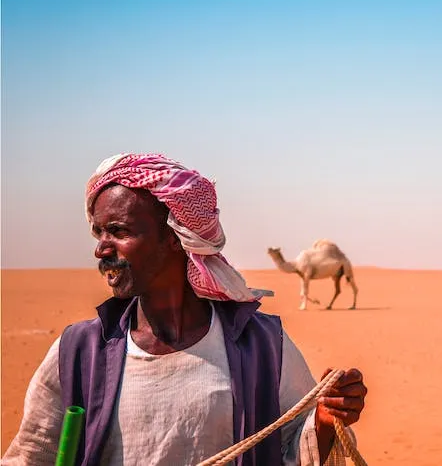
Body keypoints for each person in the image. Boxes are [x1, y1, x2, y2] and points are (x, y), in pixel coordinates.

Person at [2, 153, 367, 465]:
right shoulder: (79, 353)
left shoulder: (264, 346)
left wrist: (325, 416)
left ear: (176, 238)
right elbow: (32, 452)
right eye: (99, 233)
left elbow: (295, 450)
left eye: (118, 231)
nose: (101, 249)